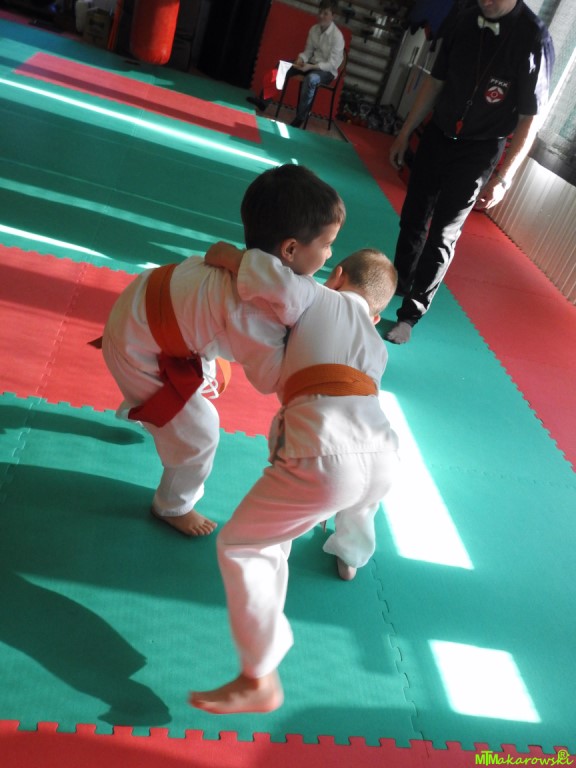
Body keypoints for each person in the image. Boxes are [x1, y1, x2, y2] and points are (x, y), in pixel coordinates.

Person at [190, 246, 399, 715]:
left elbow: (270, 277)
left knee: (244, 545)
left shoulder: (317, 296)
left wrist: (229, 257)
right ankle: (350, 554)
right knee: (362, 496)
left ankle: (259, 675)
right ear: (377, 315)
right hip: (384, 452)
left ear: (337, 275)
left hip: (323, 455)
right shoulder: (378, 347)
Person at [101, 164, 345, 537]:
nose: (330, 254)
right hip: (136, 346)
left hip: (144, 310)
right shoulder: (256, 313)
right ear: (291, 249)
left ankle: (149, 410)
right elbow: (270, 379)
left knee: (207, 381)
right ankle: (172, 505)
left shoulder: (250, 264)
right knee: (201, 433)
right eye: (327, 244)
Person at [385, 0, 554, 344]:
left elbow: (529, 120)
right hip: (438, 133)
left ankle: (410, 315)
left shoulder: (533, 38)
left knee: (443, 234)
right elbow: (435, 82)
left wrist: (504, 177)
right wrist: (404, 133)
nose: (485, 1)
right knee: (413, 216)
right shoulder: (462, 18)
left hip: (480, 149)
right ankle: (399, 282)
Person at [247, 0, 345, 128]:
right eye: (320, 12)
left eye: (325, 13)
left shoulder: (337, 37)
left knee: (311, 79)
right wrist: (301, 59)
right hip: (311, 64)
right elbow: (308, 51)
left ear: (333, 16)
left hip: (327, 72)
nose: (321, 16)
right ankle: (263, 102)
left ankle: (300, 117)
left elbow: (332, 64)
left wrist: (311, 67)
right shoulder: (314, 29)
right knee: (282, 66)